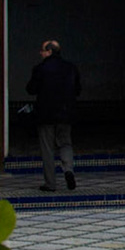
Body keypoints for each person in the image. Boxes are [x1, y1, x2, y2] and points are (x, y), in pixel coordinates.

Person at [25, 38, 81, 193]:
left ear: (49, 52)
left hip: (46, 115)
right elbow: (77, 90)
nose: (40, 53)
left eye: (42, 50)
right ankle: (68, 170)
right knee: (65, 144)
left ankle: (50, 184)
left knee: (47, 149)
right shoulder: (71, 68)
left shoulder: (40, 69)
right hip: (66, 113)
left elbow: (31, 89)